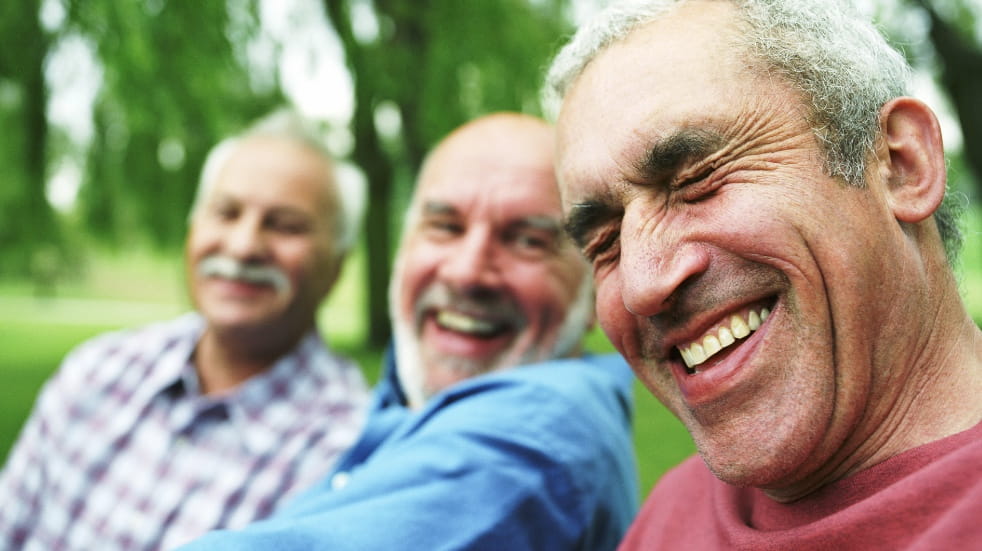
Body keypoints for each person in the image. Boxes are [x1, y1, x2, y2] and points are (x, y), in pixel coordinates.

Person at [547, 0, 982, 548]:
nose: (641, 285)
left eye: (697, 179)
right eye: (604, 243)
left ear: (901, 165)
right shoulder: (670, 515)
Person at [181, 112, 639, 550]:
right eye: (444, 227)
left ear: (595, 284)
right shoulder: (401, 404)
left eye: (528, 241)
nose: (466, 273)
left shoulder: (540, 435)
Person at [0, 109, 371, 550]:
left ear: (337, 265)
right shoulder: (97, 370)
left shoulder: (348, 459)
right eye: (225, 212)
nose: (243, 245)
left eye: (285, 225)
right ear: (193, 230)